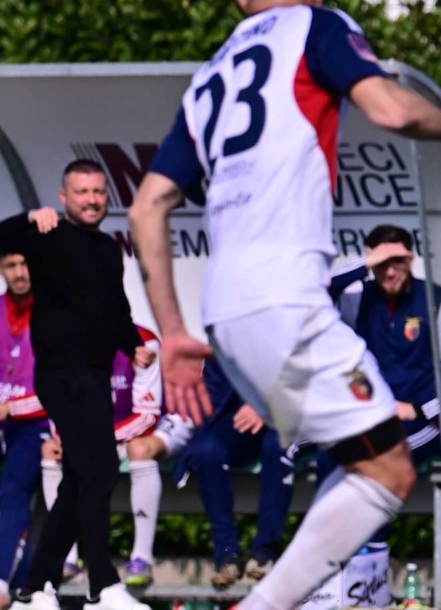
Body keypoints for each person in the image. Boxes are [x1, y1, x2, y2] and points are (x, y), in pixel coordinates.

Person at [127, 0, 441, 610]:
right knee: (389, 472)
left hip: (225, 315)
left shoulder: (209, 75)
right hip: (285, 302)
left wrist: (173, 329)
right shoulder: (316, 26)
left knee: (364, 459)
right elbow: (389, 107)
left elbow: (148, 205)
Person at [0, 160, 154, 610]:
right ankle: (101, 586)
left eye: (98, 192)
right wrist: (28, 218)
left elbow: (116, 309)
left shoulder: (108, 249)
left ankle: (34, 585)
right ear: (64, 198)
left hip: (94, 374)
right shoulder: (45, 235)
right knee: (101, 468)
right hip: (60, 375)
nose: (91, 200)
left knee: (82, 477)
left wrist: (132, 345)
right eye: (81, 192)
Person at [39, 326, 193, 591]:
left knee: (139, 449)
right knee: (52, 450)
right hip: (104, 434)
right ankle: (67, 558)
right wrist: (67, 435)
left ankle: (141, 558)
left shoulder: (143, 343)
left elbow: (147, 416)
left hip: (155, 424)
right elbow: (59, 403)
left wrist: (92, 439)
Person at [327, 224, 441, 469]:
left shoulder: (439, 300)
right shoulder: (358, 297)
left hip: (421, 419)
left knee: (370, 456)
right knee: (323, 455)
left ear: (411, 259)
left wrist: (419, 408)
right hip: (370, 412)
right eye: (382, 263)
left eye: (398, 261)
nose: (391, 272)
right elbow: (317, 294)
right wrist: (364, 264)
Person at [175, 357, 299, 590]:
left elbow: (303, 375)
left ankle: (265, 550)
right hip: (242, 422)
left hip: (291, 415)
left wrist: (264, 406)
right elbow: (212, 399)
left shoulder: (289, 326)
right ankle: (226, 553)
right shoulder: (223, 334)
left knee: (276, 447)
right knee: (206, 451)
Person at [0, 252, 45, 609]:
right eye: (10, 266)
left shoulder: (54, 313)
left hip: (38, 424)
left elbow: (62, 384)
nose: (18, 273)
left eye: (24, 264)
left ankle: (2, 583)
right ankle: (30, 585)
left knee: (13, 488)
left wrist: (13, 407)